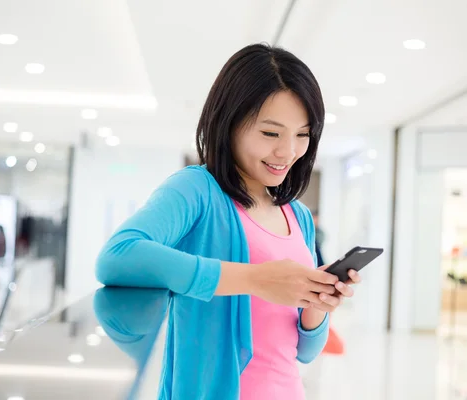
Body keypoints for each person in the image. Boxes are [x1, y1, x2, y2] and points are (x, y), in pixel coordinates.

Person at [95, 43, 361, 400]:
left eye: (302, 134)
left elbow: (304, 351)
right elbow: (118, 256)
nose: (288, 152)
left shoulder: (297, 215)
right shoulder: (196, 189)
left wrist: (316, 302)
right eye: (270, 133)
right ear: (229, 122)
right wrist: (254, 279)